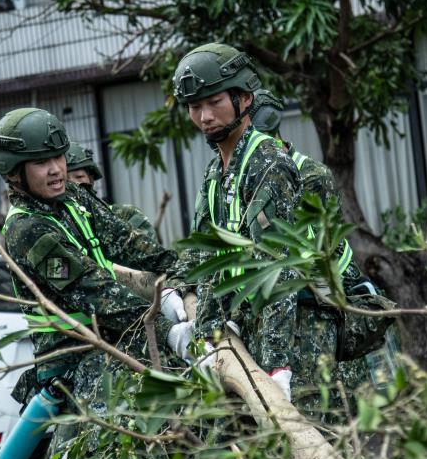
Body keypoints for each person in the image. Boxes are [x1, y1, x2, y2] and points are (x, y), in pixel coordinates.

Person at [0, 108, 195, 459]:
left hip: (114, 340)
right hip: (77, 357)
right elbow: (95, 291)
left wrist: (181, 275)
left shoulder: (75, 199)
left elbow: (131, 245)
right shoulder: (26, 229)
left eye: (59, 157)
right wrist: (169, 332)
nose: (55, 169)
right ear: (15, 171)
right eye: (41, 162)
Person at [248, 90, 394, 418]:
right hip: (265, 314)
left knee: (314, 415)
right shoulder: (237, 178)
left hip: (310, 310)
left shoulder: (308, 174)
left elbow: (329, 249)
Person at [169, 43, 302, 401]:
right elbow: (210, 259)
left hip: (290, 334)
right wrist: (206, 333)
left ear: (244, 99)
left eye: (214, 102)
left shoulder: (267, 163)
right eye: (195, 107)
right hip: (241, 329)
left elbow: (280, 268)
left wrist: (278, 367)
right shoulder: (217, 170)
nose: (204, 116)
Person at [63, 141, 159, 245]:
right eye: (65, 180)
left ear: (91, 180)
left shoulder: (126, 216)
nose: (74, 184)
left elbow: (151, 253)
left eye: (79, 177)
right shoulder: (57, 226)